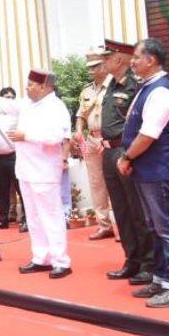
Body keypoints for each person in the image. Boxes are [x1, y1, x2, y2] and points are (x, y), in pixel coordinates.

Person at [0, 70, 73, 279]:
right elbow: (5, 104)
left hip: (45, 170)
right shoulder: (27, 104)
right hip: (26, 170)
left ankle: (61, 261)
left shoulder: (56, 107)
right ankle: (41, 258)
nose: (26, 88)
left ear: (44, 87)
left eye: (31, 85)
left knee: (51, 216)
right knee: (34, 217)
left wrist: (25, 136)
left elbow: (56, 136)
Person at [118, 39, 169, 308]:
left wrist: (126, 156)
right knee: (156, 227)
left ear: (151, 60)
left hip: (158, 170)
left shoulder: (160, 91)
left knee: (166, 228)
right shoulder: (149, 87)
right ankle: (161, 279)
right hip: (148, 169)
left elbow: (148, 134)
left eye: (136, 57)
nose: (132, 61)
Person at [99, 39, 154, 285]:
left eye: (107, 58)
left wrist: (129, 153)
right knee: (120, 210)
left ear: (119, 58)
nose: (103, 62)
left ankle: (148, 264)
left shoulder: (135, 85)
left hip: (126, 149)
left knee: (136, 209)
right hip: (108, 151)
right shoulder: (110, 85)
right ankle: (131, 260)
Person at [74, 48, 114, 239]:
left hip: (111, 140)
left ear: (105, 65)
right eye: (89, 67)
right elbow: (80, 115)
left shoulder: (115, 87)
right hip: (91, 139)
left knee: (116, 183)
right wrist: (79, 132)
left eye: (95, 66)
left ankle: (121, 225)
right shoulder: (87, 90)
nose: (91, 70)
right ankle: (104, 225)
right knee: (96, 183)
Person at [0, 87, 26, 232]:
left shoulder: (19, 113)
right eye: (6, 97)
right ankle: (3, 219)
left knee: (21, 189)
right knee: (2, 190)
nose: (9, 99)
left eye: (12, 97)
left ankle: (26, 220)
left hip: (15, 156)